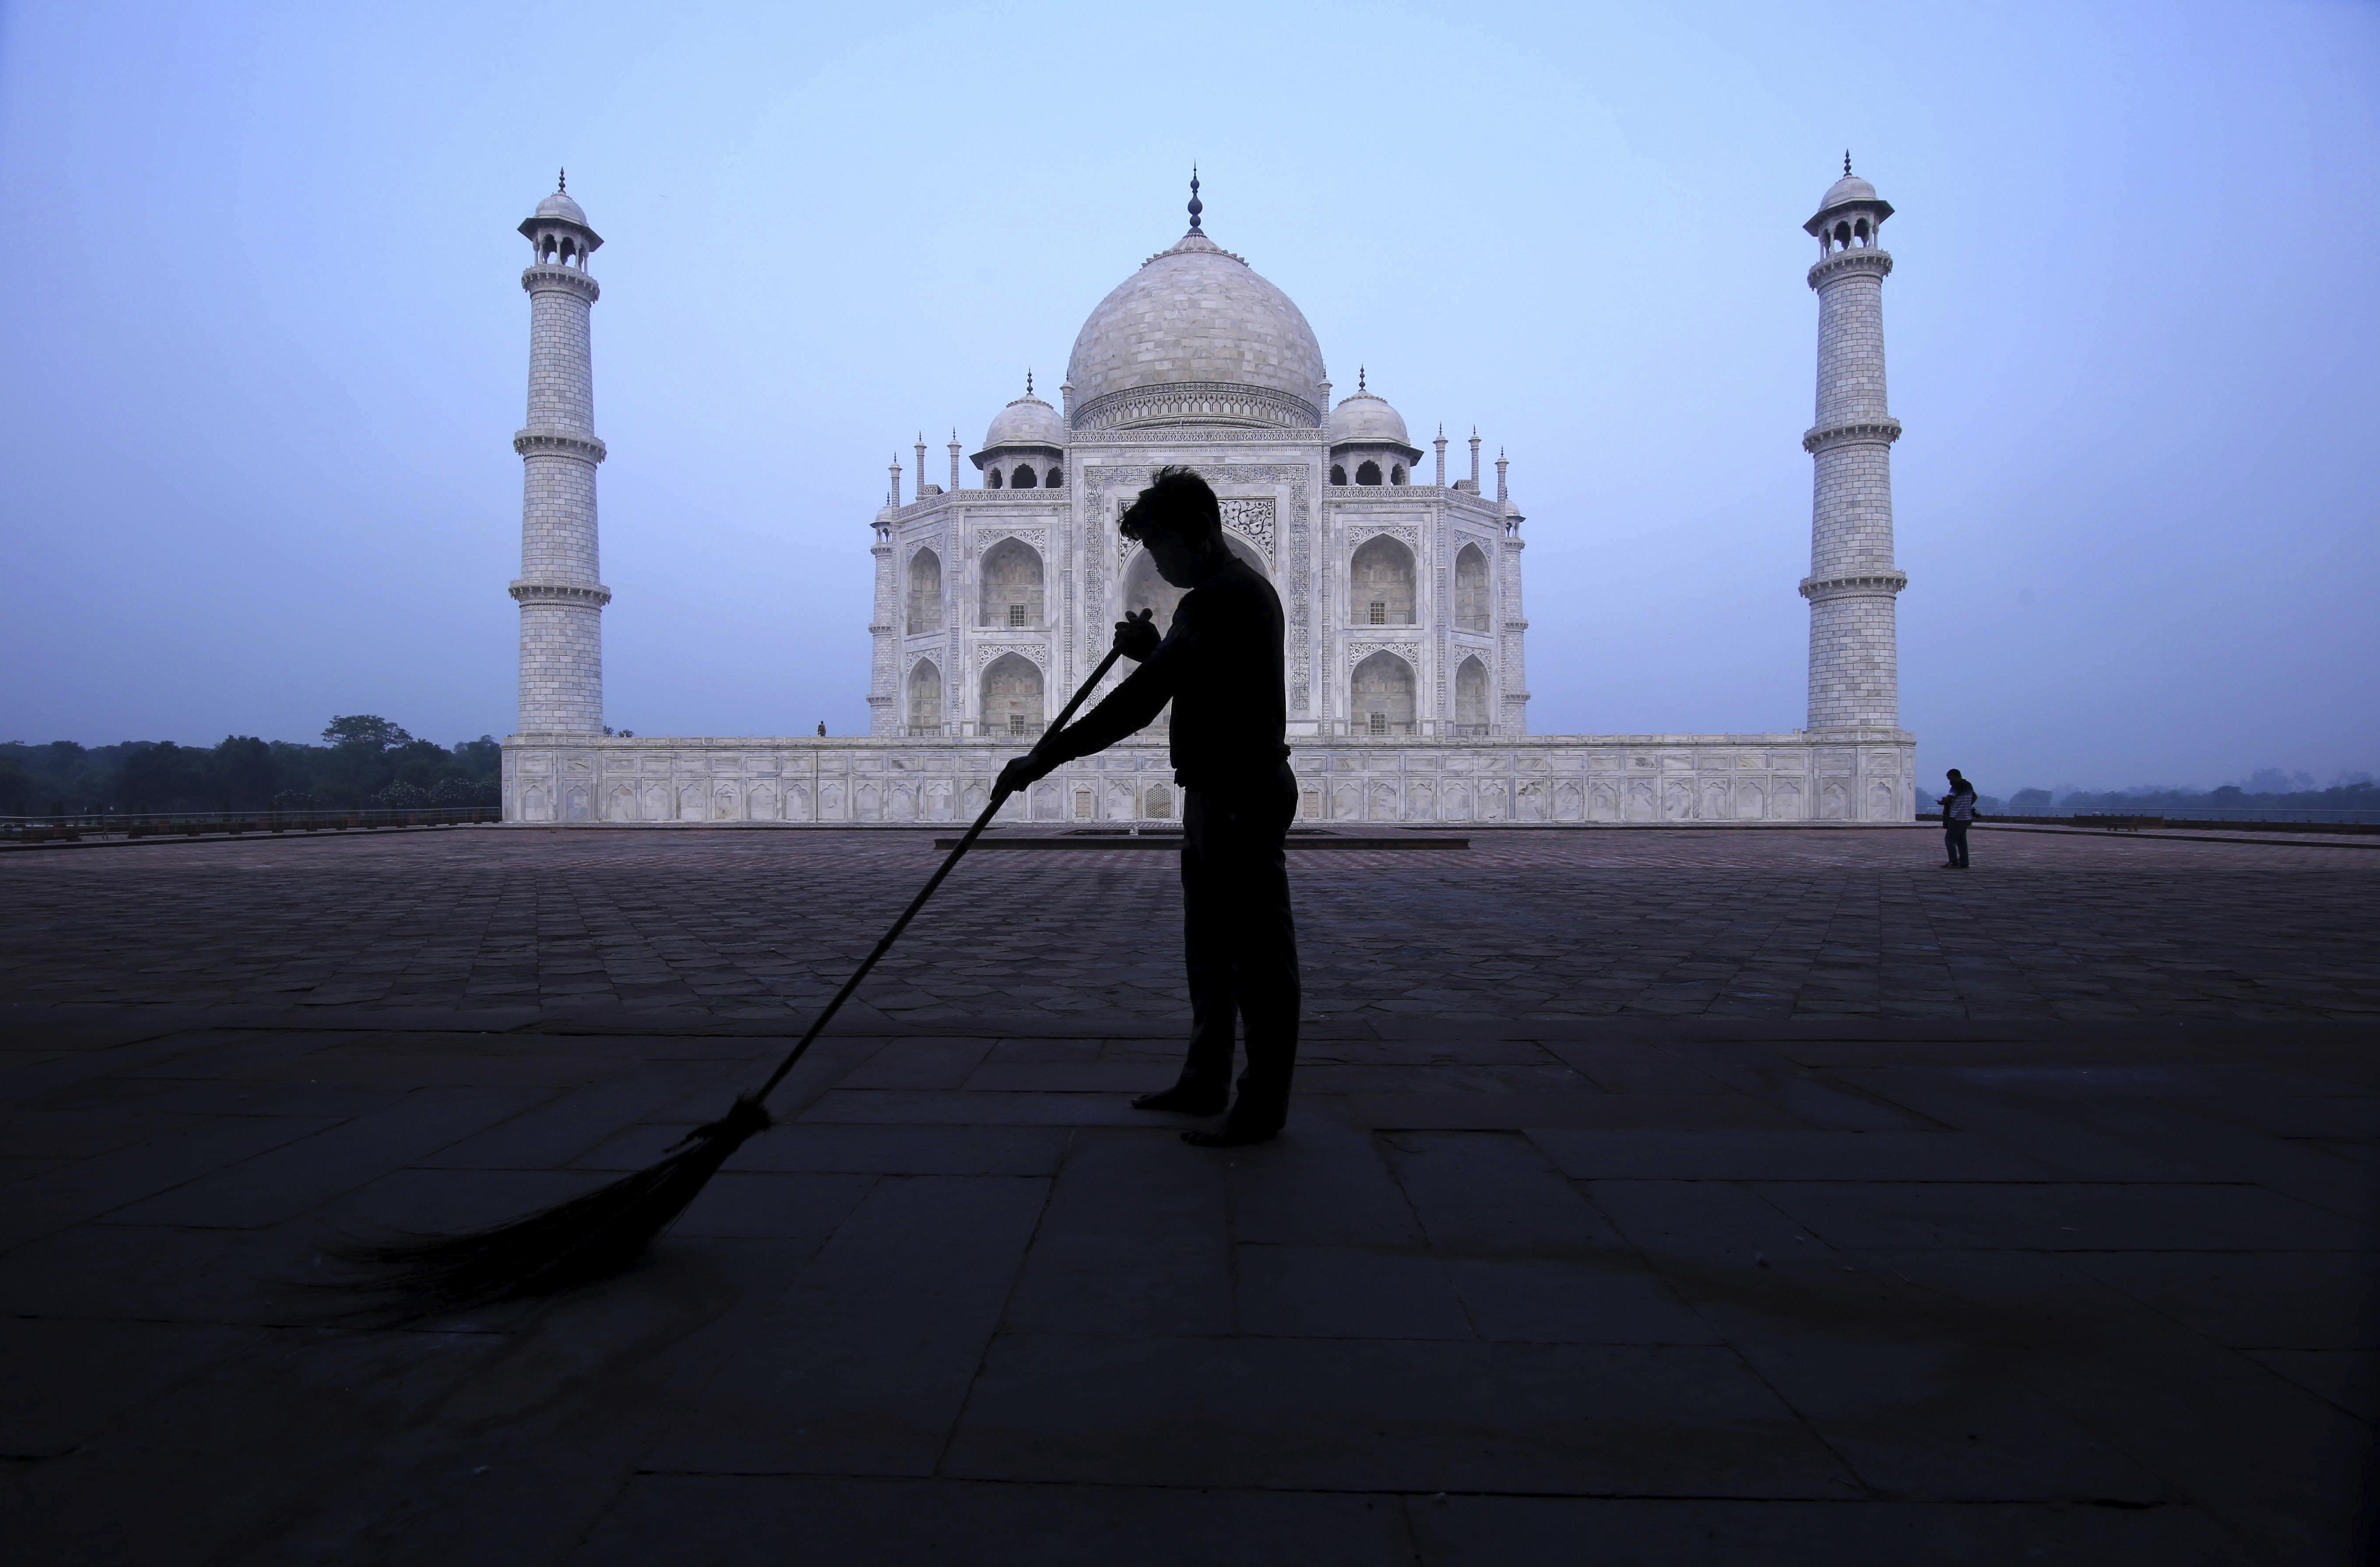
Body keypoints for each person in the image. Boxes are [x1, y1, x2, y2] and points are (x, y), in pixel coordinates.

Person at [996, 467, 1299, 1147]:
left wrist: (1043, 758)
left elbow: (1141, 702)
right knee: (1213, 948)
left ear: (1196, 532)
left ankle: (1259, 1105)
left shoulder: (1220, 596)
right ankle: (1205, 1077)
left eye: (1160, 546)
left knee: (1255, 956)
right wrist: (1149, 650)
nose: (1156, 563)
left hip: (1238, 792)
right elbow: (1189, 670)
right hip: (1221, 788)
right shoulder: (1229, 595)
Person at [1938, 768, 1978, 869]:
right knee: (1961, 841)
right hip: (1967, 817)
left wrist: (1942, 802)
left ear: (1955, 776)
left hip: (1957, 817)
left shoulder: (1957, 785)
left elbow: (1949, 798)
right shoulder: (1968, 785)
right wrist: (1967, 804)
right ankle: (1964, 862)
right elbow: (1975, 796)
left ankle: (1953, 861)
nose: (1950, 782)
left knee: (1949, 840)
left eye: (1950, 779)